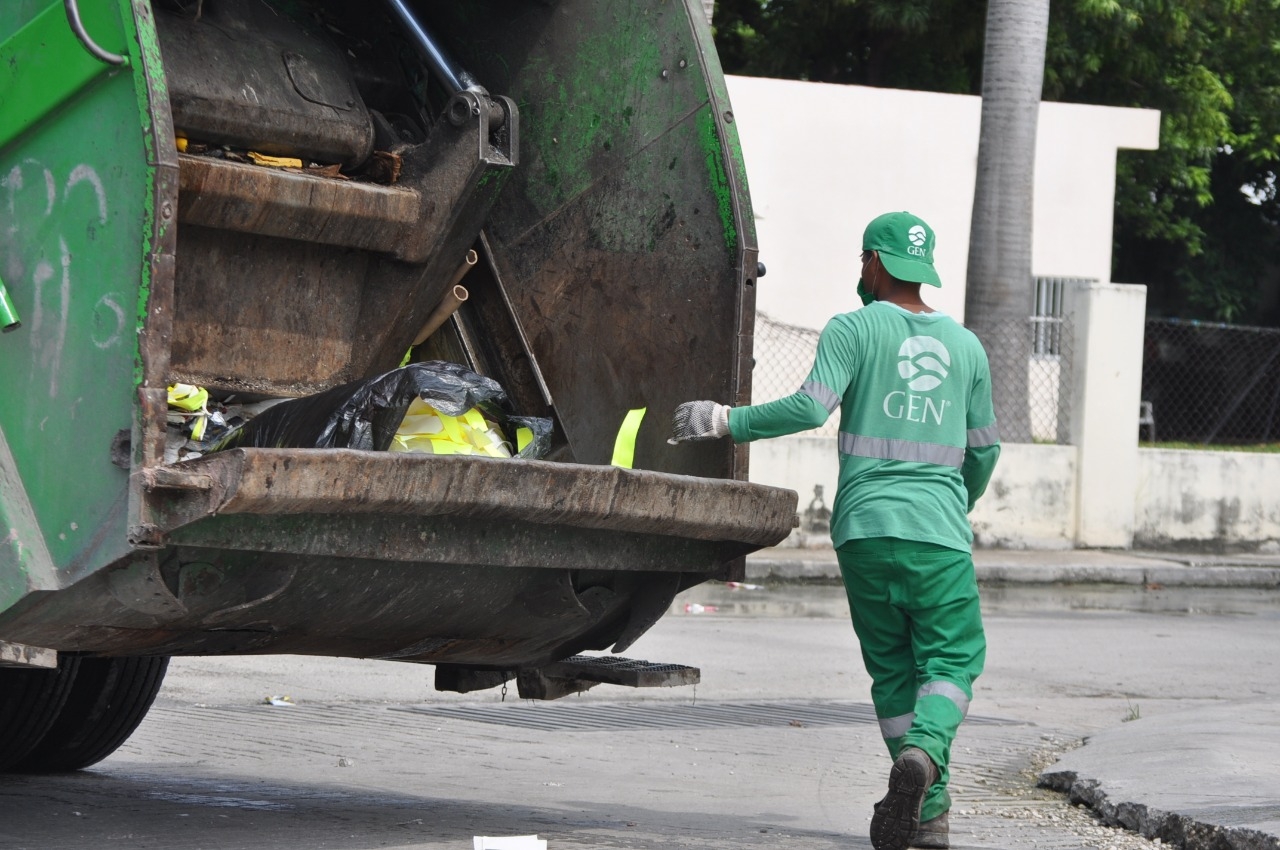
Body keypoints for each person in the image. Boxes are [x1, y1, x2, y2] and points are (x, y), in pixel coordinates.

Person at [669, 211, 1000, 850]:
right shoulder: (967, 348)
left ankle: (929, 815)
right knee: (952, 659)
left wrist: (722, 419)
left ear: (875, 262)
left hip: (863, 533)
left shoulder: (852, 328)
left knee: (893, 674)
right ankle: (926, 757)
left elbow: (808, 407)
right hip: (937, 532)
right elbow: (984, 453)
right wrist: (958, 504)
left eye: (861, 261)